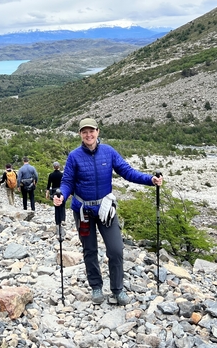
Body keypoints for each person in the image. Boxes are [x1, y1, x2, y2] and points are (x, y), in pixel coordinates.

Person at [53, 117, 163, 306]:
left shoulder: (108, 152)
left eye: (91, 131)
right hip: (83, 211)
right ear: (80, 134)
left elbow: (127, 172)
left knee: (116, 249)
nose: (89, 135)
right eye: (84, 131)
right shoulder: (74, 156)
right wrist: (61, 195)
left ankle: (117, 289)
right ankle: (96, 287)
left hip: (105, 209)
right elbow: (67, 182)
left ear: (98, 131)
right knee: (90, 250)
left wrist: (149, 179)